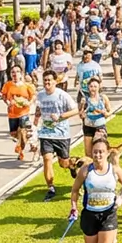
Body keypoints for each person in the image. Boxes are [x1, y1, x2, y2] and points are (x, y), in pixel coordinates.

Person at [35, 70, 79, 201]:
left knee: (63, 163)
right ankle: (51, 188)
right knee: (47, 159)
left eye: (49, 80)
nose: (47, 83)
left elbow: (75, 110)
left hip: (61, 134)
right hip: (46, 133)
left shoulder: (62, 95)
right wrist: (34, 124)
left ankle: (71, 165)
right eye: (45, 80)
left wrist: (60, 117)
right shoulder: (40, 95)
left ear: (55, 81)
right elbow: (38, 110)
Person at [1, 66, 36, 161]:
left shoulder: (26, 86)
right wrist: (8, 103)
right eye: (13, 72)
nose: (15, 74)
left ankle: (20, 151)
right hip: (12, 114)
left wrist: (29, 102)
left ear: (21, 74)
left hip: (24, 113)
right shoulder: (7, 85)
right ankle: (28, 143)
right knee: (14, 134)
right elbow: (4, 96)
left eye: (17, 72)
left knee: (23, 132)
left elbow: (33, 96)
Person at [82, 77, 113, 157]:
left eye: (95, 86)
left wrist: (104, 113)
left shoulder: (103, 98)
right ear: (88, 87)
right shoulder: (85, 100)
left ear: (99, 87)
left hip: (100, 127)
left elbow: (110, 111)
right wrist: (82, 113)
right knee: (88, 153)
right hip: (88, 127)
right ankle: (91, 168)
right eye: (91, 86)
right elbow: (81, 114)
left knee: (99, 150)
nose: (93, 89)